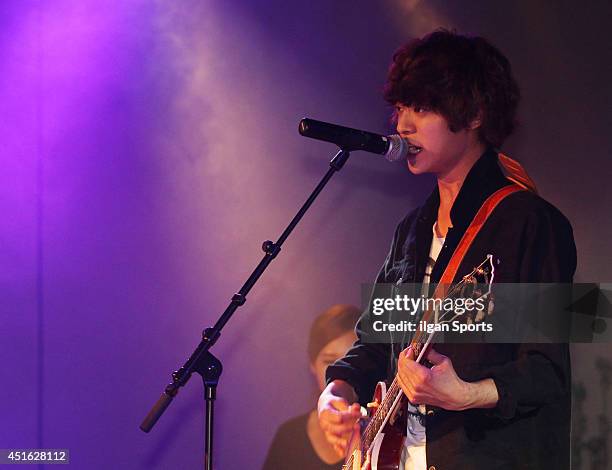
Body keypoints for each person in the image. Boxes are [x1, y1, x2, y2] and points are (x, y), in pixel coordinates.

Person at [318, 29, 576, 469]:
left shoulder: (532, 223)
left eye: (421, 107)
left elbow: (547, 370)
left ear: (474, 113)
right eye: (400, 108)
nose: (402, 125)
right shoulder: (412, 229)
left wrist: (466, 394)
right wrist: (338, 389)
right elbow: (377, 341)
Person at [262, 304, 361, 470]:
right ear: (312, 365)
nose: (340, 373)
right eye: (330, 362)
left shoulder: (389, 429)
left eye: (352, 361)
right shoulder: (289, 436)